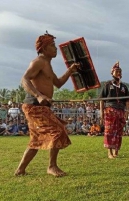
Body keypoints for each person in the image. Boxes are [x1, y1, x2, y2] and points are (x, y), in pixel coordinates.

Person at [14, 32, 79, 177]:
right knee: (57, 131)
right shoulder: (38, 62)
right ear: (43, 49)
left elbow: (59, 83)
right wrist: (38, 95)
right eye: (52, 45)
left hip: (41, 107)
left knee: (36, 140)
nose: (55, 49)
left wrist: (70, 70)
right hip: (33, 106)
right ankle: (52, 166)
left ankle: (20, 170)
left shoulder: (47, 65)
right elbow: (24, 79)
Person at [99, 61, 129, 159]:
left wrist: (127, 111)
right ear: (112, 73)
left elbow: (127, 100)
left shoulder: (124, 87)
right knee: (109, 131)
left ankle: (116, 151)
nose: (119, 73)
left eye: (120, 71)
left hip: (121, 110)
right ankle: (109, 152)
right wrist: (101, 112)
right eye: (116, 71)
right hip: (110, 110)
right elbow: (102, 99)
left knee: (119, 131)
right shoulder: (107, 85)